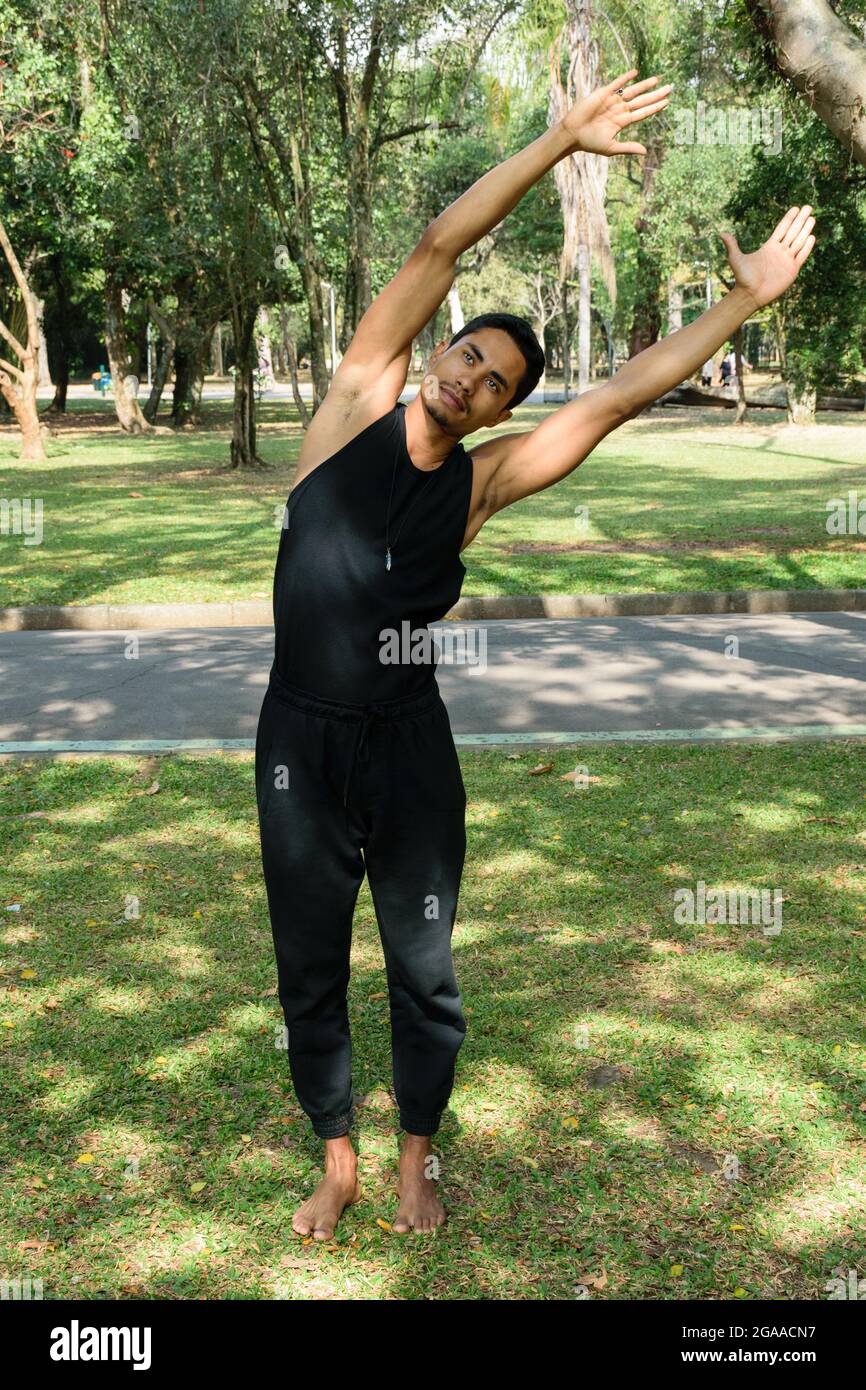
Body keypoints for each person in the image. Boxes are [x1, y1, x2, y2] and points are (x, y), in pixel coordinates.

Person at [255, 65, 816, 1240]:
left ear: (501, 411)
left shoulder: (479, 485)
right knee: (308, 958)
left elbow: (611, 400)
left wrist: (741, 306)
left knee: (421, 965)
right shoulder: (351, 402)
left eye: (496, 383)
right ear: (439, 349)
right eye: (467, 356)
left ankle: (414, 1158)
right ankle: (338, 1159)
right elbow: (435, 244)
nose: (470, 378)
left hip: (409, 748)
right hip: (299, 735)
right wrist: (559, 140)